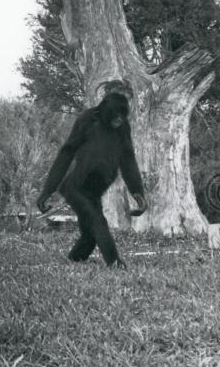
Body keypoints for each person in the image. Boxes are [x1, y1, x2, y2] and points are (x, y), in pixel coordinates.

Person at [35, 91, 147, 268]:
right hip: (76, 188)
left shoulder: (123, 127)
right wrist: (48, 190)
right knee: (98, 221)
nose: (119, 119)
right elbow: (67, 152)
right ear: (106, 111)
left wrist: (137, 191)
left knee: (90, 236)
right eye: (116, 115)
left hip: (95, 190)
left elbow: (128, 159)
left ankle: (75, 259)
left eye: (123, 115)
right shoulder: (88, 120)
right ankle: (114, 263)